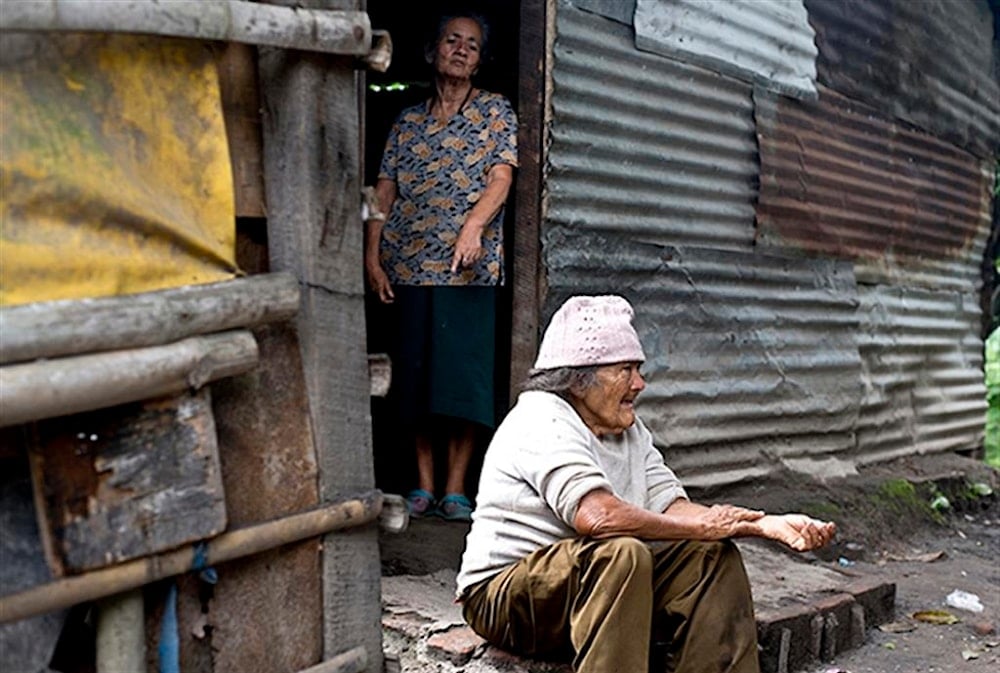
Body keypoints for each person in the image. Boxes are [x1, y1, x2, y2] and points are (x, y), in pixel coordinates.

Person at [456, 295, 837, 673]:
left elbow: (671, 506)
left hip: (590, 594)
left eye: (638, 369)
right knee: (623, 554)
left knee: (710, 554)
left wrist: (763, 525)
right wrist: (703, 525)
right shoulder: (541, 418)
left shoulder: (628, 430)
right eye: (626, 369)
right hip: (502, 599)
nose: (640, 383)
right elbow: (597, 517)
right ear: (577, 380)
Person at [364, 11, 518, 522]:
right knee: (416, 379)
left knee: (462, 380)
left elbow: (501, 178)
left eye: (472, 45)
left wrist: (473, 226)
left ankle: (457, 489)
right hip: (409, 264)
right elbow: (383, 189)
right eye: (452, 40)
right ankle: (423, 485)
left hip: (466, 268)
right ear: (432, 52)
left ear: (479, 63)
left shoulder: (496, 111)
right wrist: (371, 253)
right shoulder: (408, 120)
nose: (461, 50)